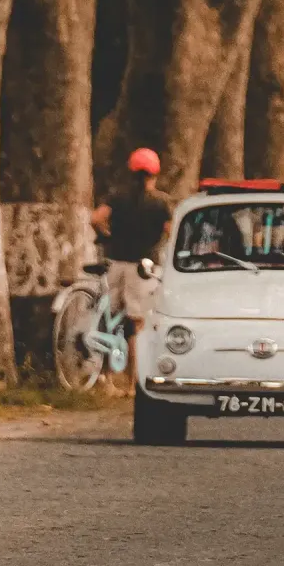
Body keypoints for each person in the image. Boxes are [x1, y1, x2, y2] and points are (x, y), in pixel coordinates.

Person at [90, 148, 173, 391]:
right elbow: (171, 230)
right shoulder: (161, 202)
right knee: (137, 324)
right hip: (143, 268)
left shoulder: (117, 197)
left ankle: (105, 377)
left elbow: (96, 218)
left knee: (111, 319)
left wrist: (107, 235)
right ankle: (132, 382)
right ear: (155, 173)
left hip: (116, 262)